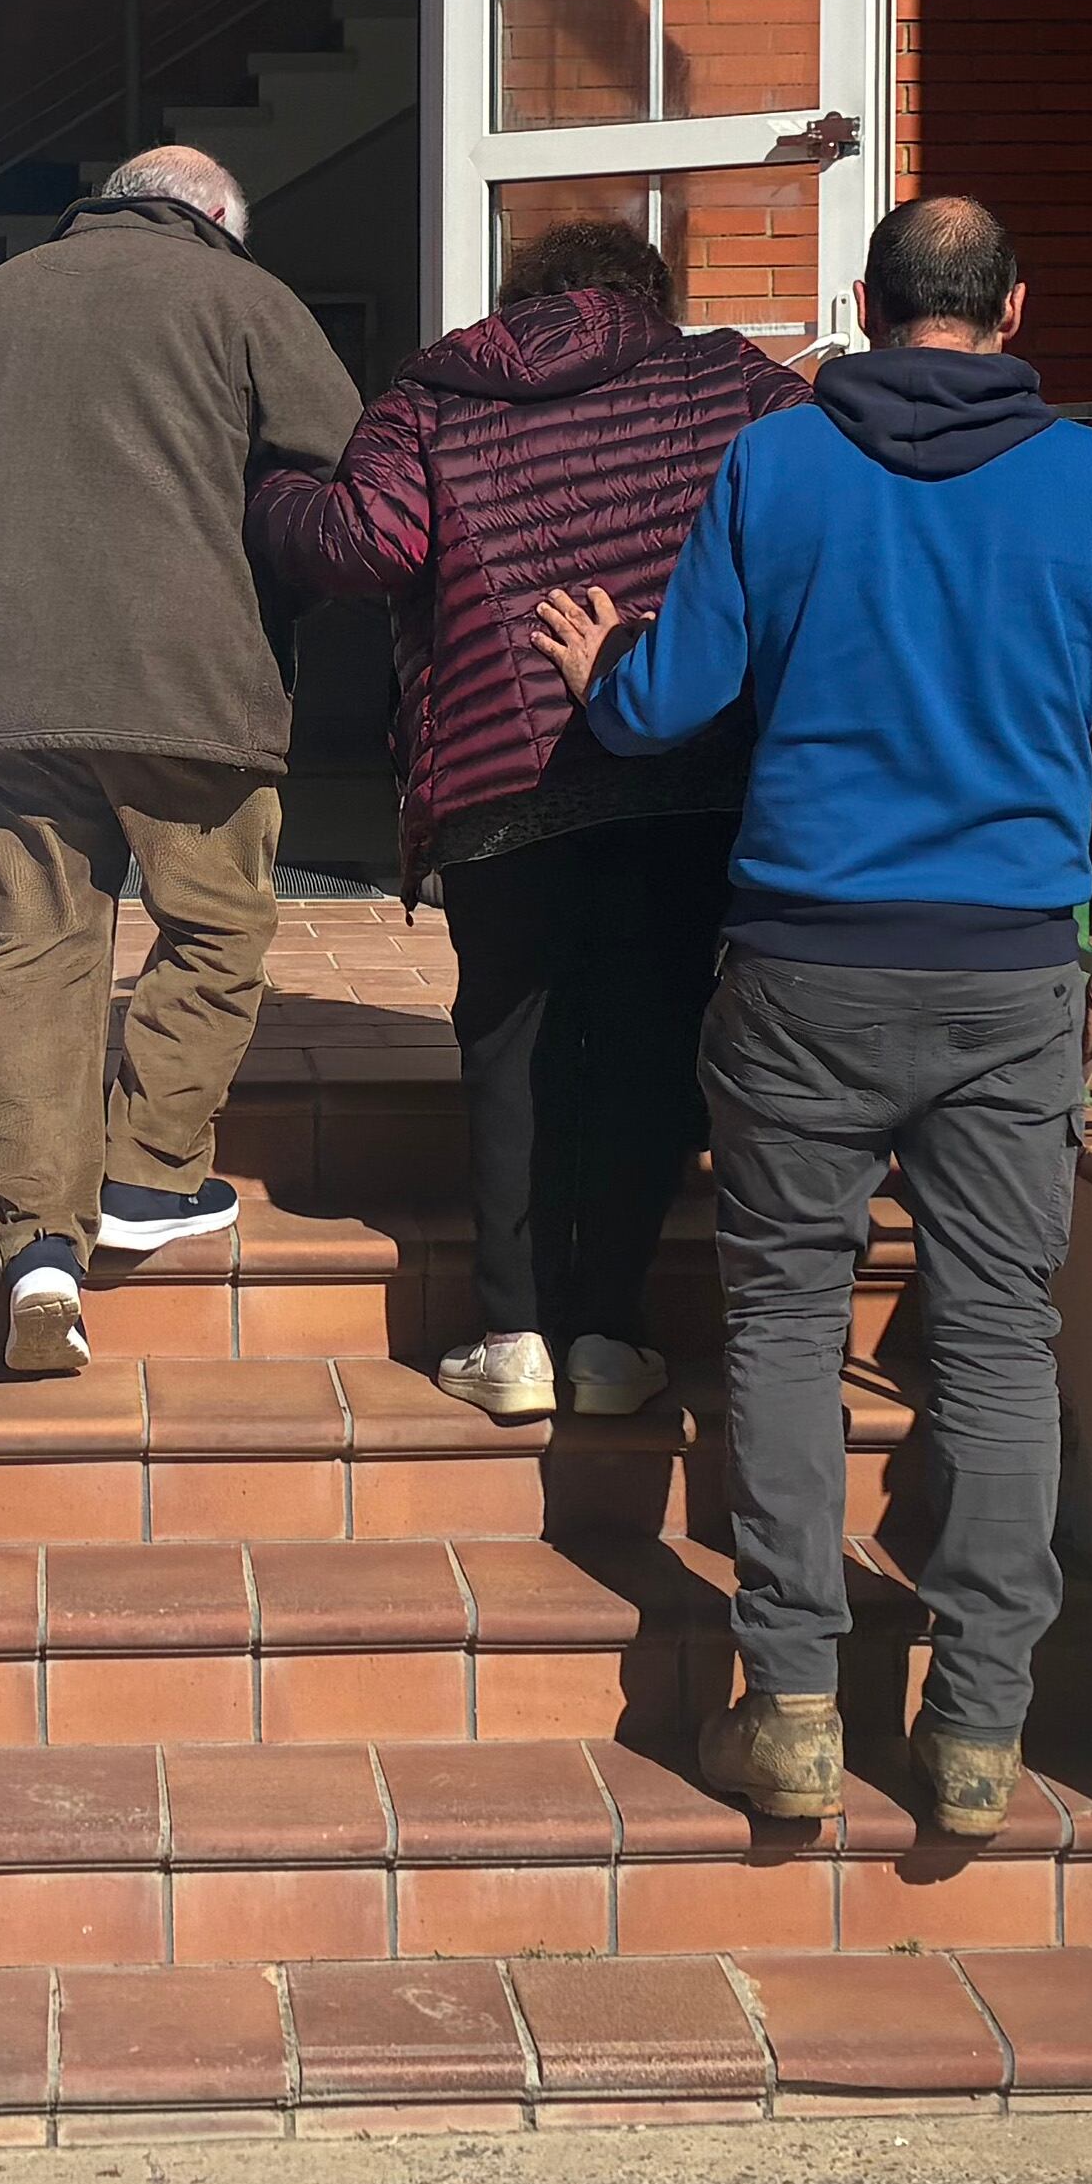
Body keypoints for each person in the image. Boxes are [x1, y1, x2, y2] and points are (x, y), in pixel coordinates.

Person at [534, 193, 1092, 1843]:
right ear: (1012, 305)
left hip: (803, 967)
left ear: (863, 298)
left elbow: (675, 695)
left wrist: (594, 679)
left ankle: (795, 1712)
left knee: (780, 1326)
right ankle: (977, 1730)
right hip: (1004, 975)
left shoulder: (780, 464)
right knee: (994, 1342)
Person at [248, 214, 808, 1424]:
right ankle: (606, 1336)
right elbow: (820, 507)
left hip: (502, 785)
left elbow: (366, 542)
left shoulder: (434, 393)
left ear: (519, 300)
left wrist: (274, 490)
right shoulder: (730, 383)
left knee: (510, 1048)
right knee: (651, 1040)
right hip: (687, 772)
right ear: (647, 296)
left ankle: (511, 1339)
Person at [0, 145, 364, 1377]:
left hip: (13, 687)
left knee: (27, 949)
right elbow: (349, 476)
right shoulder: (246, 300)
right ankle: (147, 1173)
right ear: (214, 217)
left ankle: (37, 1239)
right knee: (214, 925)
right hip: (194, 684)